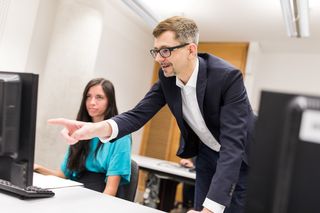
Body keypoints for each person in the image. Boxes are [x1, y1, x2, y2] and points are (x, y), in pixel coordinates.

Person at [48, 16, 255, 213]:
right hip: (207, 156)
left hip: (242, 158)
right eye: (155, 51)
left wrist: (211, 209)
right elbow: (137, 115)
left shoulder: (227, 78)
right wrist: (95, 129)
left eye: (165, 51)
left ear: (191, 50)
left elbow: (232, 146)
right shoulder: (167, 78)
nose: (158, 59)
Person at [35, 78, 132, 196]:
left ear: (110, 102)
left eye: (99, 97)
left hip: (98, 196)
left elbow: (110, 191)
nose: (92, 102)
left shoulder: (121, 135)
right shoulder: (79, 130)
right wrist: (36, 168)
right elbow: (62, 175)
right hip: (75, 192)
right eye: (88, 96)